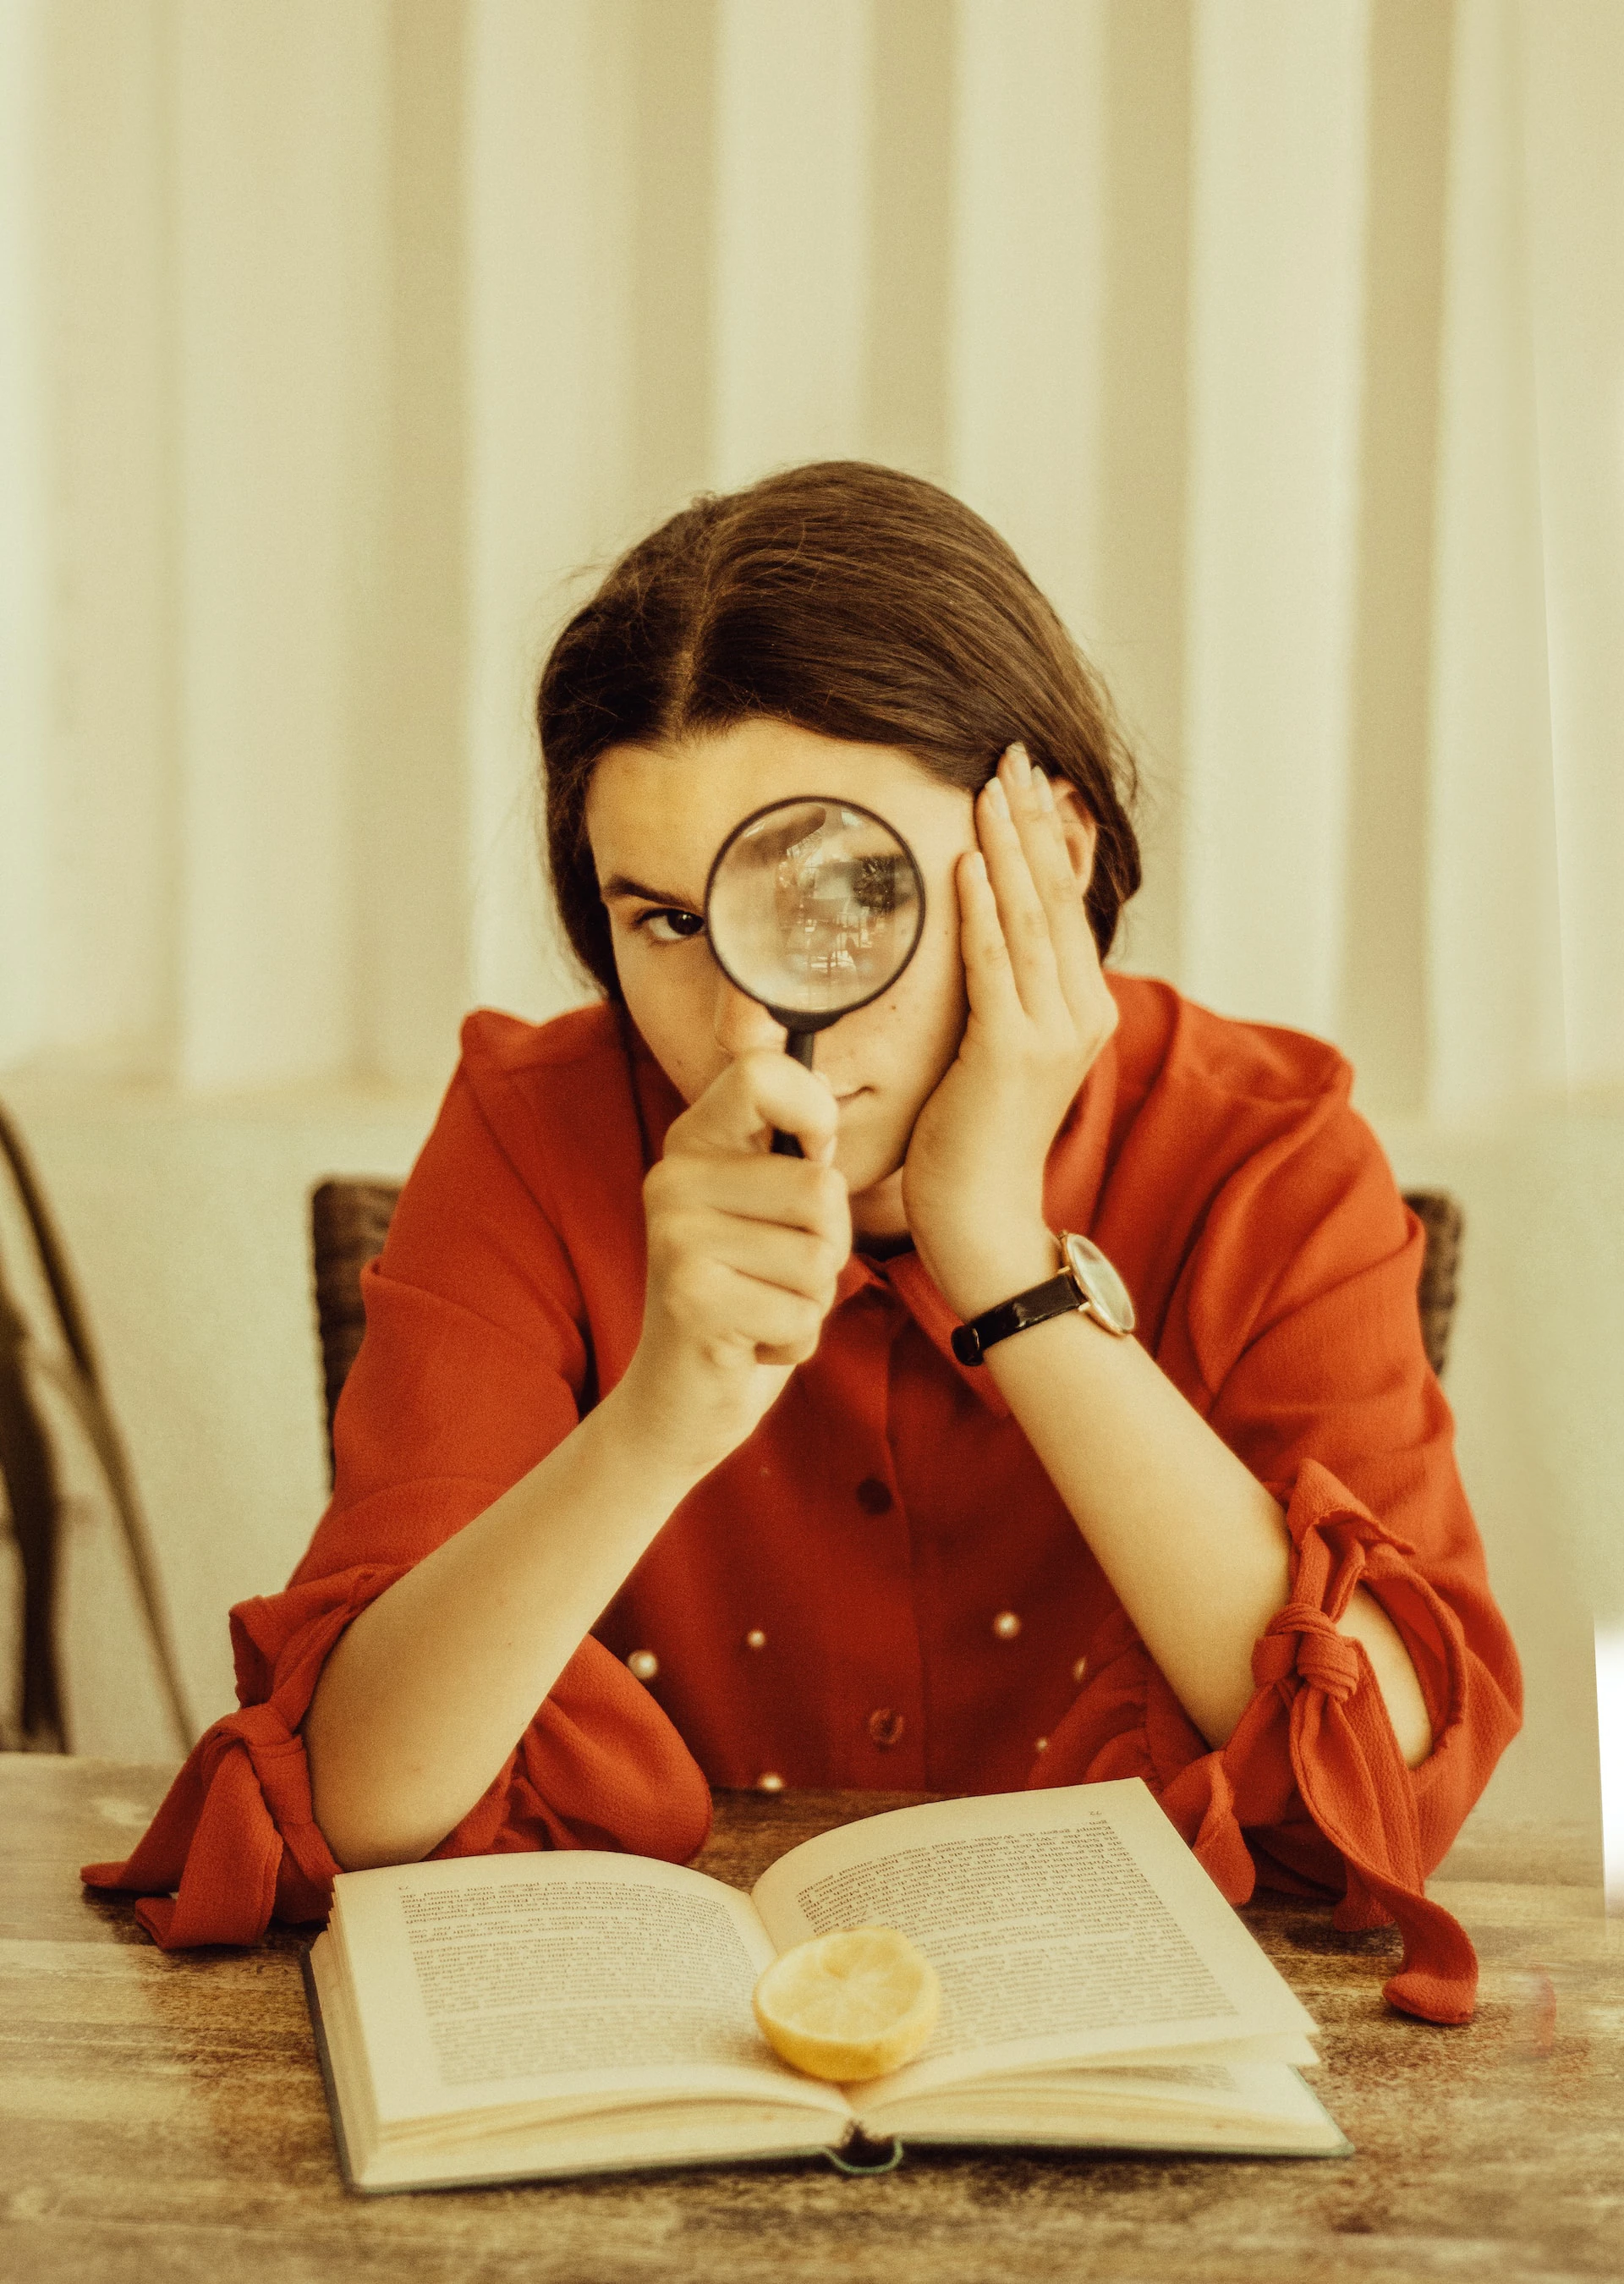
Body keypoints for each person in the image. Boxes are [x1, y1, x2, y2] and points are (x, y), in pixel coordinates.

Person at [85, 462, 1520, 2023]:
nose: (752, 1015)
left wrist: (1001, 1257)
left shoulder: (1264, 1148)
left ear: (1049, 846)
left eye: (844, 889)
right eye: (667, 922)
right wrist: (661, 1417)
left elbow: (1379, 1773)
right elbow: (358, 1799)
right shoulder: (536, 1127)